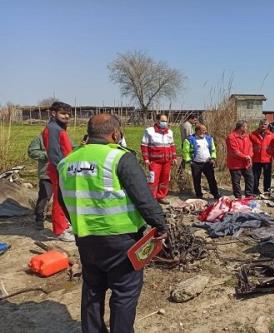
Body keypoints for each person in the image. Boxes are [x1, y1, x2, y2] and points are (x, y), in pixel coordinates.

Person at [58, 114, 168, 333]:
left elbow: (63, 199)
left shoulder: (67, 161)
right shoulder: (119, 158)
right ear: (115, 134)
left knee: (92, 290)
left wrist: (81, 224)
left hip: (86, 239)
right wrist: (161, 225)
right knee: (124, 293)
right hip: (122, 242)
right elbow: (143, 198)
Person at [41, 101, 74, 241]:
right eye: (63, 113)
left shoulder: (58, 127)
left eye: (68, 114)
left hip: (63, 167)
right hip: (59, 169)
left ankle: (64, 224)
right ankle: (59, 231)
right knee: (60, 200)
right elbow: (54, 153)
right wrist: (63, 170)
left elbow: (64, 148)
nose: (66, 116)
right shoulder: (53, 129)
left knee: (64, 198)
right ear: (53, 113)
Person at [140, 114, 177, 204]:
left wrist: (174, 157)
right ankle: (151, 198)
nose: (165, 123)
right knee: (152, 180)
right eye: (163, 121)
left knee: (164, 180)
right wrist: (146, 159)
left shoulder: (169, 132)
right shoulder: (149, 131)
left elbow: (172, 145)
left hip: (167, 161)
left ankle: (161, 196)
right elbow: (144, 146)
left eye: (166, 121)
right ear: (157, 121)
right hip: (154, 161)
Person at [183, 124, 220, 199]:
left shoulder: (209, 138)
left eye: (205, 130)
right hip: (196, 163)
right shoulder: (189, 140)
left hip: (207, 163)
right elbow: (185, 151)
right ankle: (199, 195)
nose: (205, 131)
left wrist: (213, 158)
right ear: (197, 131)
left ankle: (215, 193)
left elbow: (213, 149)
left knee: (211, 179)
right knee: (197, 180)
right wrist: (189, 161)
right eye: (203, 130)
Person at [27, 134, 51, 230]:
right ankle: (39, 219)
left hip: (62, 173)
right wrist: (46, 154)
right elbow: (32, 152)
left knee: (62, 198)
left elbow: (72, 147)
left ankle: (61, 220)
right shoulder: (40, 138)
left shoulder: (64, 136)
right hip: (47, 173)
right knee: (45, 196)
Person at [250, 119, 274, 194]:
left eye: (265, 124)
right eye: (261, 124)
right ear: (259, 125)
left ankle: (267, 190)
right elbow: (248, 147)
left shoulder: (271, 135)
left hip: (267, 159)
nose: (263, 126)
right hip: (256, 159)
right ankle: (255, 190)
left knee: (267, 176)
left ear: (268, 125)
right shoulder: (252, 134)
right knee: (255, 176)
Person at [226, 120, 254, 198]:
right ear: (241, 127)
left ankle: (249, 196)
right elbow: (234, 151)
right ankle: (238, 198)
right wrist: (245, 156)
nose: (247, 128)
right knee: (236, 182)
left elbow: (250, 147)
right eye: (246, 126)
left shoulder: (247, 136)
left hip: (246, 163)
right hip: (235, 164)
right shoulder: (231, 137)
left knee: (250, 179)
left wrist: (250, 155)